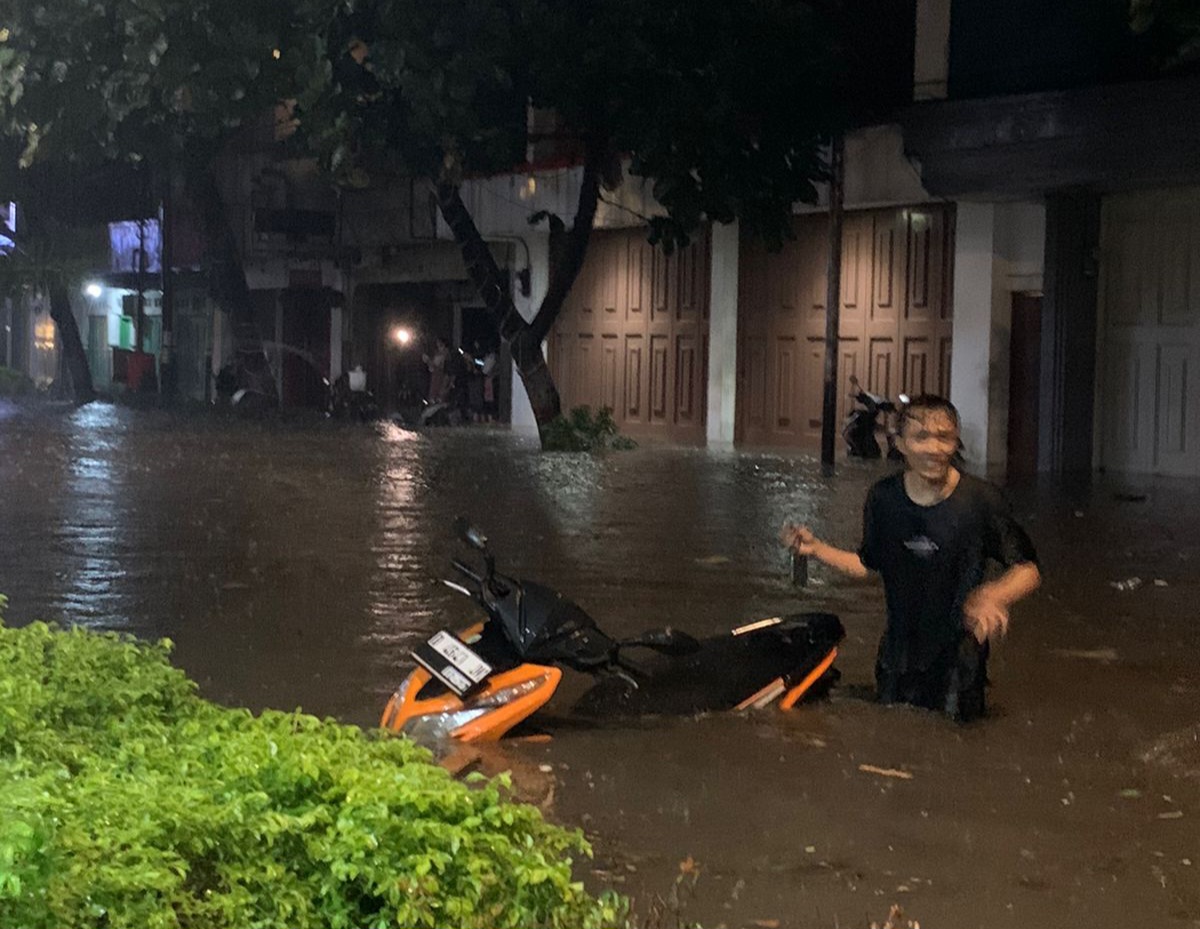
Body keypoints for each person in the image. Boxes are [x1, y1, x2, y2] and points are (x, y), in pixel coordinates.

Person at [782, 395, 1041, 722]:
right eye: (921, 437)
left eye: (944, 437)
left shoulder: (982, 501)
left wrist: (992, 595)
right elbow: (868, 564)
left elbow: (1028, 569)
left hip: (960, 666)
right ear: (900, 444)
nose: (934, 448)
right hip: (896, 659)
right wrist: (817, 549)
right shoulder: (884, 498)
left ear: (956, 442)